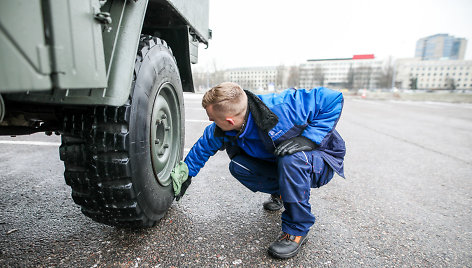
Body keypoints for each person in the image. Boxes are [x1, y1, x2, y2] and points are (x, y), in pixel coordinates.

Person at [176, 82, 345, 259]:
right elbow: (204, 146)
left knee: (291, 159)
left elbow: (332, 98)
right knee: (239, 166)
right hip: (284, 163)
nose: (211, 121)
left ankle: (297, 229)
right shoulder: (226, 128)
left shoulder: (282, 107)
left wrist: (309, 139)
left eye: (212, 118)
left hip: (318, 160)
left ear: (229, 121)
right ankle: (281, 193)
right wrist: (186, 173)